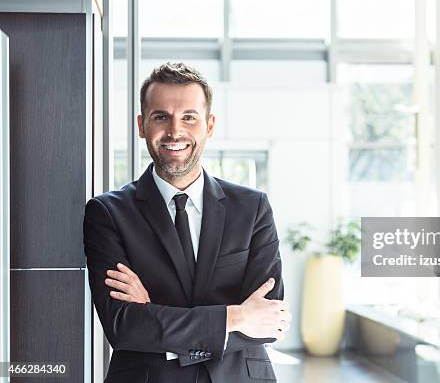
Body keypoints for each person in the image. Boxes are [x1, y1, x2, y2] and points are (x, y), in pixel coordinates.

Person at [83, 62, 290, 383]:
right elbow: (124, 326)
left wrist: (156, 317)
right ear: (142, 125)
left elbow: (269, 322)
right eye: (161, 116)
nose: (175, 131)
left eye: (189, 117)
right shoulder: (108, 213)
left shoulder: (252, 207)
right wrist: (235, 316)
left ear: (209, 125)